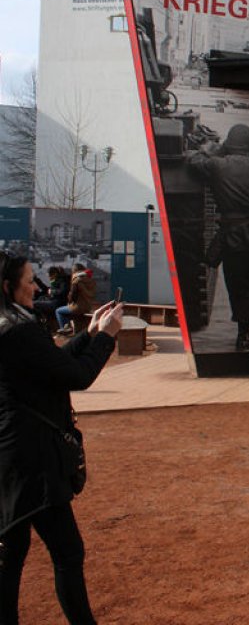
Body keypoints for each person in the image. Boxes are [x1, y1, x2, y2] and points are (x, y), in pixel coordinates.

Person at [0, 252, 123, 624]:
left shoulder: (10, 325)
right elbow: (77, 376)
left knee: (13, 553)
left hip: (12, 458)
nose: (35, 286)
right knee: (67, 552)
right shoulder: (19, 330)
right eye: (27, 280)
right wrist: (107, 338)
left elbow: (54, 365)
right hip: (32, 461)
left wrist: (89, 334)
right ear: (7, 287)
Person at [186, 124, 249, 351]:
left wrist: (212, 149)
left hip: (234, 235)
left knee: (236, 284)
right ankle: (245, 330)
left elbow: (194, 162)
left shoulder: (219, 165)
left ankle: (242, 332)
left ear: (230, 143)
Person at [55, 264, 96, 336]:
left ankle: (65, 329)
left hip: (78, 307)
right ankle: (69, 327)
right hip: (88, 306)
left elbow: (72, 296)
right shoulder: (90, 279)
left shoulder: (76, 280)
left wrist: (69, 300)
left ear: (74, 271)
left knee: (58, 311)